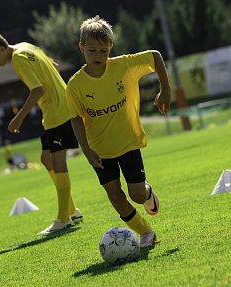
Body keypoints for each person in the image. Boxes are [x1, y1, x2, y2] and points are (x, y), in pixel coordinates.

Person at [66, 16, 171, 248]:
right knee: (114, 195)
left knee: (136, 195)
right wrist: (86, 150)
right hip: (99, 150)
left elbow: (155, 56)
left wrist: (165, 89)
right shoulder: (75, 86)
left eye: (103, 50)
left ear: (110, 48)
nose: (98, 56)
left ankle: (147, 191)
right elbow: (75, 119)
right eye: (92, 50)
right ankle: (145, 232)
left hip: (127, 142)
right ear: (81, 47)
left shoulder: (123, 66)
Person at [0, 31, 83, 235]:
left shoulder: (18, 59)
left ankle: (63, 219)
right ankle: (72, 211)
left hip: (59, 112)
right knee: (46, 159)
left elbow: (38, 90)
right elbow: (54, 65)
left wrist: (19, 117)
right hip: (56, 111)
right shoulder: (26, 46)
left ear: (2, 49)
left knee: (58, 162)